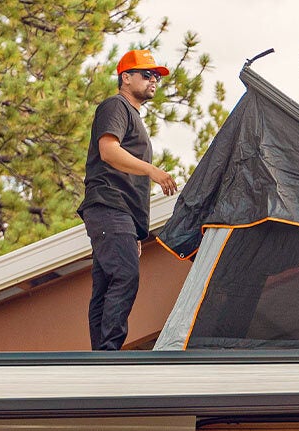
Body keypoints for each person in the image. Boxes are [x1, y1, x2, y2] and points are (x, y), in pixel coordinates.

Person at [79, 47, 178, 350]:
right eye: (147, 74)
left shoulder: (131, 115)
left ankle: (101, 355)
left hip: (117, 214)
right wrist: (153, 171)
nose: (153, 81)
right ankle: (108, 354)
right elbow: (108, 151)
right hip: (109, 207)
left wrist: (134, 230)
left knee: (108, 283)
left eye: (156, 77)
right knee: (125, 275)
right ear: (126, 77)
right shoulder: (115, 106)